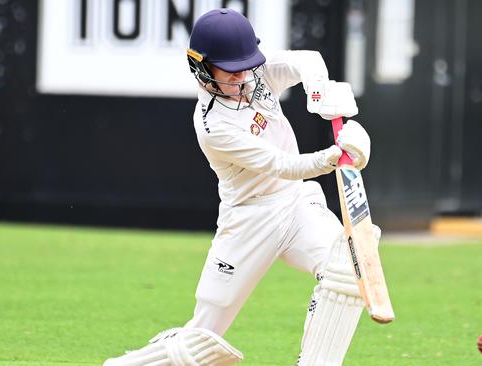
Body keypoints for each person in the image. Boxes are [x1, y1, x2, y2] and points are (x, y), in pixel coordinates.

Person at [104, 8, 378, 366]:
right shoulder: (213, 125)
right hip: (250, 219)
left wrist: (320, 93)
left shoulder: (254, 75)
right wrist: (335, 156)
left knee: (344, 268)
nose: (243, 76)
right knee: (202, 341)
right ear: (202, 69)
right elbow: (281, 165)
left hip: (297, 205)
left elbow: (308, 61)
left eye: (246, 65)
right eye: (231, 69)